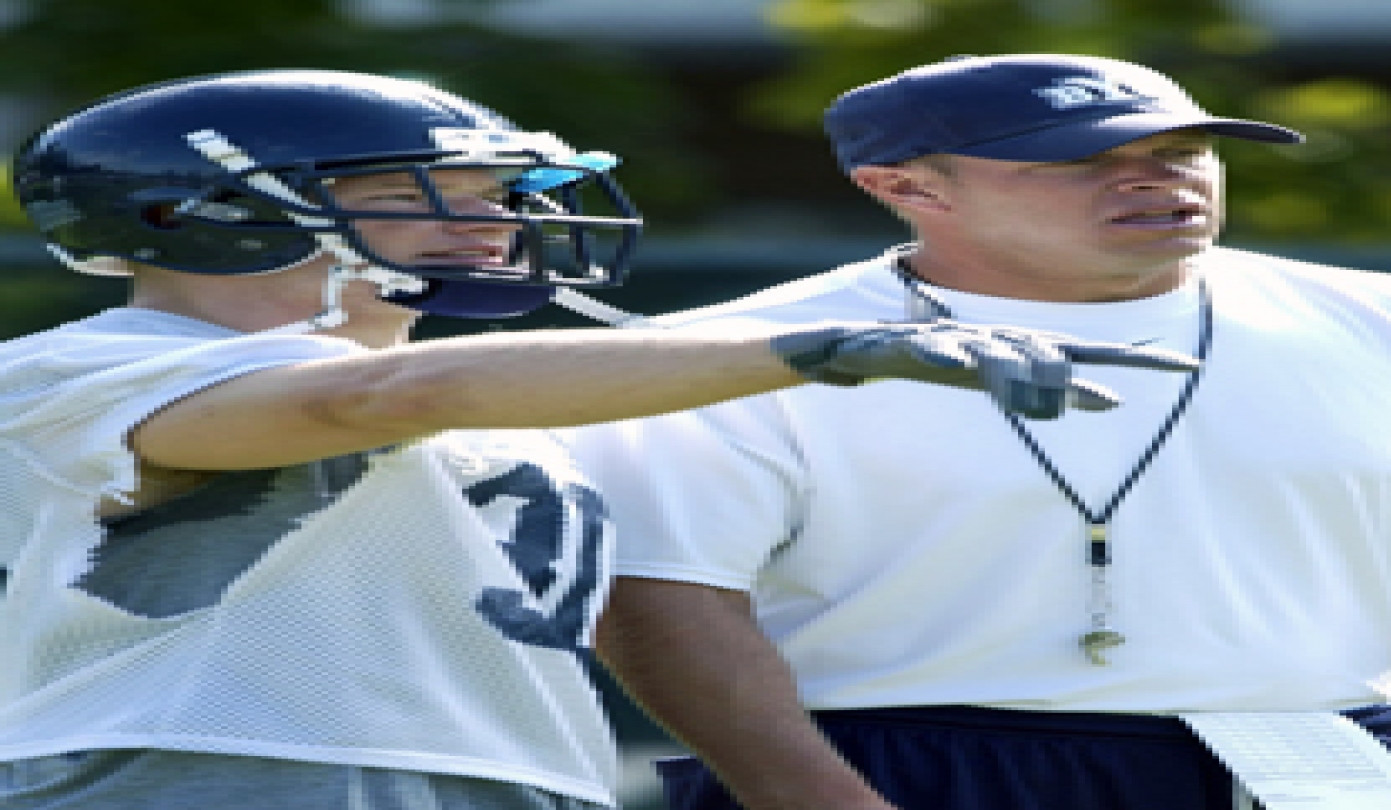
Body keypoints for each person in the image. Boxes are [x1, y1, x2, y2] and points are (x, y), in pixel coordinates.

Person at [0, 68, 1200, 810]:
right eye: (431, 189)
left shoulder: (486, 389)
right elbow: (353, 407)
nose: (494, 220)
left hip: (516, 775)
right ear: (193, 214)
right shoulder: (74, 368)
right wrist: (816, 348)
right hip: (203, 771)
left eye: (496, 192)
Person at [564, 53, 1391, 810]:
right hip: (909, 763)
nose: (1153, 177)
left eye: (1181, 150)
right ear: (904, 186)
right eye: (1080, 159)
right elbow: (661, 600)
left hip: (1334, 760)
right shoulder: (720, 355)